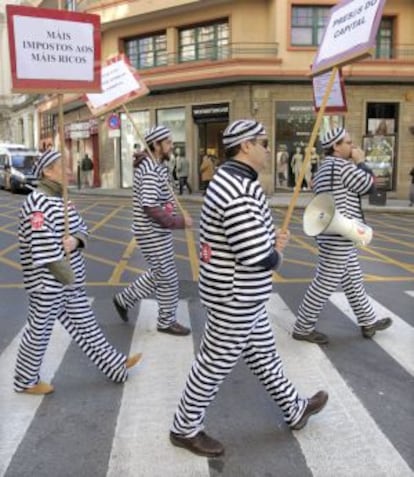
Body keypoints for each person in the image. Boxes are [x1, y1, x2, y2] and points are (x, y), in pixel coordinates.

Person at [169, 119, 328, 457]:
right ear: (245, 146)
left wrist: (270, 239)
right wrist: (276, 251)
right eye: (264, 142)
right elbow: (256, 255)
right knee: (214, 363)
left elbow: (244, 238)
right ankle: (184, 428)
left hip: (240, 292)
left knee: (265, 357)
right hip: (235, 294)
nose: (268, 149)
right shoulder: (237, 189)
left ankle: (295, 408)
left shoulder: (235, 180)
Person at [14, 149, 141, 395]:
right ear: (48, 171)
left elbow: (82, 228)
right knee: (38, 330)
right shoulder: (36, 202)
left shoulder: (62, 200)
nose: (70, 170)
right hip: (47, 284)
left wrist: (76, 241)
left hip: (67, 282)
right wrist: (69, 279)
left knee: (86, 325)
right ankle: (25, 380)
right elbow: (42, 244)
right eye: (64, 166)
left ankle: (115, 366)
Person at [292, 127, 393, 345]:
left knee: (353, 280)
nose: (352, 146)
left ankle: (368, 322)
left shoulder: (323, 168)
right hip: (340, 234)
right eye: (348, 142)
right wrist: (361, 162)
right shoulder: (342, 166)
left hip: (331, 233)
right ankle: (302, 326)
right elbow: (369, 185)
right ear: (335, 146)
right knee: (325, 282)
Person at [112, 126, 193, 336]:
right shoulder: (149, 168)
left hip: (158, 231)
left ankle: (123, 300)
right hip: (151, 231)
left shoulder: (156, 165)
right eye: (167, 143)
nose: (171, 146)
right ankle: (166, 321)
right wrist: (178, 222)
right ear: (156, 145)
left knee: (160, 274)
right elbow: (150, 206)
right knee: (167, 276)